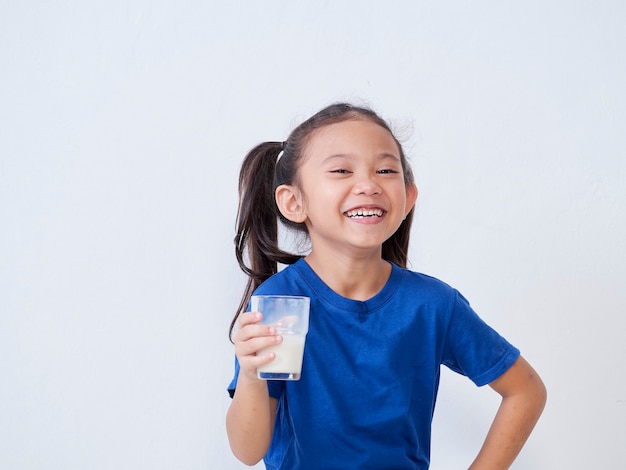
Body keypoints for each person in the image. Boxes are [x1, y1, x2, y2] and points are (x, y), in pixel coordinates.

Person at [226, 103, 546, 469]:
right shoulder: (280, 305)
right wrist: (251, 377)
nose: (368, 184)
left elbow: (525, 390)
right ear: (294, 202)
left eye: (385, 170)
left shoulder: (434, 305)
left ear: (408, 197)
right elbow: (247, 452)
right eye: (342, 170)